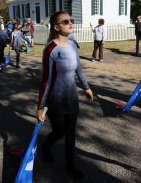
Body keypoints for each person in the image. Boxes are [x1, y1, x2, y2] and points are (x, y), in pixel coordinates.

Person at [37, 11, 93, 180]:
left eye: (71, 20)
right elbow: (46, 79)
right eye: (65, 21)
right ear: (56, 27)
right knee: (59, 131)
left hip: (72, 99)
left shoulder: (73, 44)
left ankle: (70, 165)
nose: (70, 23)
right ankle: (46, 147)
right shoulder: (51, 49)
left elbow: (79, 70)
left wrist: (86, 87)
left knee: (70, 134)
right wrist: (40, 106)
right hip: (56, 100)